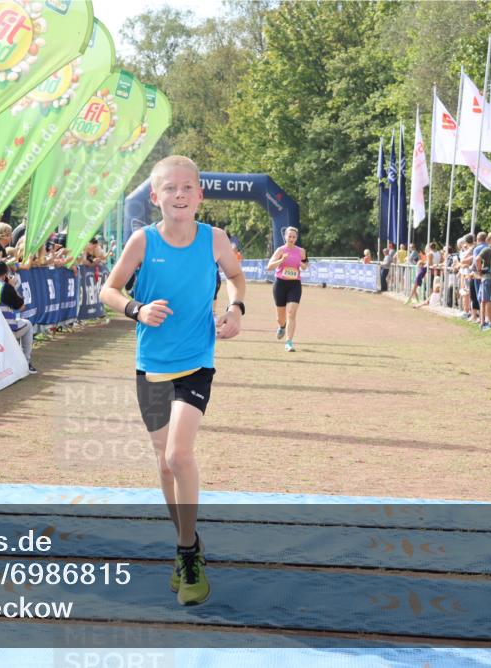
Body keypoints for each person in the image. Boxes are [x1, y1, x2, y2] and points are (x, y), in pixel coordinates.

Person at [99, 155, 246, 606]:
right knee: (164, 465)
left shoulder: (214, 239)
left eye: (187, 188)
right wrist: (137, 309)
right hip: (151, 365)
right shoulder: (142, 241)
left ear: (199, 194)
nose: (179, 195)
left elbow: (236, 277)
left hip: (197, 362)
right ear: (155, 197)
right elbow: (108, 290)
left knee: (179, 454)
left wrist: (236, 308)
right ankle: (188, 544)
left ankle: (187, 553)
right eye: (170, 188)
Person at [266, 226, 308, 352]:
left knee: (291, 313)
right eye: (289, 236)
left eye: (294, 237)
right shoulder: (280, 250)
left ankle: (289, 342)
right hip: (280, 284)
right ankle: (282, 326)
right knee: (280, 317)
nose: (291, 239)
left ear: (296, 238)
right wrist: (281, 260)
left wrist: (301, 264)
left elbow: (305, 266)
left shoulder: (301, 251)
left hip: (295, 285)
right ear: (285, 237)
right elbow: (269, 267)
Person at [476, 232, 491, 330]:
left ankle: (489, 321)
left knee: (486, 300)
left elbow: (477, 259)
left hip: (487, 276)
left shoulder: (487, 249)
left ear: (488, 240)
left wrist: (479, 271)